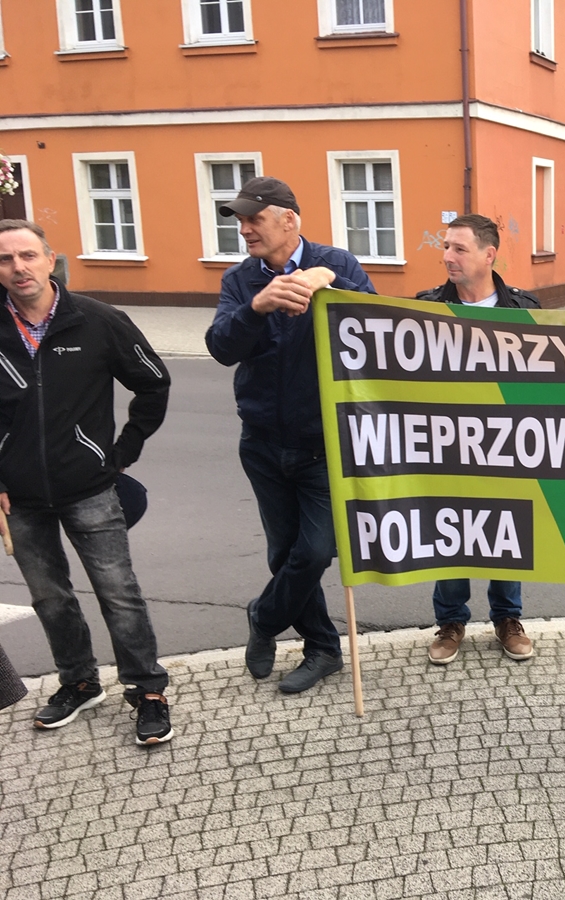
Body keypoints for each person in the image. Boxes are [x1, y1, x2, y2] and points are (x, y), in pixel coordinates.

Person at [0, 219, 174, 745]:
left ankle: (147, 690)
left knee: (119, 594)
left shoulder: (98, 321)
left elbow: (153, 383)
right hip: (19, 497)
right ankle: (78, 682)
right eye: (6, 260)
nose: (18, 268)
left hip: (91, 488)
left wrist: (122, 452)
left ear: (50, 260)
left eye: (27, 256)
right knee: (49, 598)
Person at [206, 177, 375, 694]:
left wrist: (333, 284)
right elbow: (220, 347)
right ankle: (322, 648)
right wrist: (256, 307)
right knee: (283, 552)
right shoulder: (240, 280)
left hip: (324, 443)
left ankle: (263, 616)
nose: (245, 229)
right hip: (260, 442)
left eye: (254, 218)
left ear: (289, 220)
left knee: (316, 549)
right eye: (240, 220)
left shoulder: (337, 262)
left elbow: (376, 329)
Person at [415, 214, 539, 665]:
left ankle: (508, 618)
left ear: (489, 254)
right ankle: (450, 622)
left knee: (505, 530)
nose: (448, 256)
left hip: (506, 445)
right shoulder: (425, 307)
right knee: (450, 530)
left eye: (459, 249)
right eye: (446, 247)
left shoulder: (524, 309)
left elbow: (546, 383)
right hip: (445, 444)